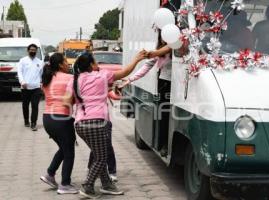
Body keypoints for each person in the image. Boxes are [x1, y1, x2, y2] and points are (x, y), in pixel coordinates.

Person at [63, 50, 146, 199]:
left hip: (80, 125)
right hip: (97, 123)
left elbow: (66, 102)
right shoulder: (102, 75)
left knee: (97, 153)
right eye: (95, 62)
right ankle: (88, 186)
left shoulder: (73, 80)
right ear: (90, 65)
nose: (97, 64)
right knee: (101, 157)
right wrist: (136, 59)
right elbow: (125, 72)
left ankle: (107, 185)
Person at [119, 31, 172, 156]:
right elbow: (146, 67)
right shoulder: (159, 52)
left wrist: (152, 53)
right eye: (162, 37)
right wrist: (130, 79)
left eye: (167, 37)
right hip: (165, 84)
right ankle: (164, 144)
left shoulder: (177, 47)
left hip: (179, 86)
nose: (164, 40)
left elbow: (168, 48)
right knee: (164, 115)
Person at [40, 53, 78, 194]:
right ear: (61, 64)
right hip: (61, 119)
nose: (68, 64)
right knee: (69, 152)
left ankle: (50, 174)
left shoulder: (47, 78)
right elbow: (72, 98)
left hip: (48, 119)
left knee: (63, 148)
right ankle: (65, 185)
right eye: (66, 62)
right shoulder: (70, 78)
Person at [17, 44, 43, 131]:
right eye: (31, 50)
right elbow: (19, 72)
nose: (33, 51)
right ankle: (26, 120)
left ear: (36, 51)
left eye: (34, 50)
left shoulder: (39, 62)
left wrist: (41, 83)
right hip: (25, 87)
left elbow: (41, 75)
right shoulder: (22, 61)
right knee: (25, 105)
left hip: (36, 87)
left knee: (35, 106)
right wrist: (22, 82)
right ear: (28, 50)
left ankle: (33, 123)